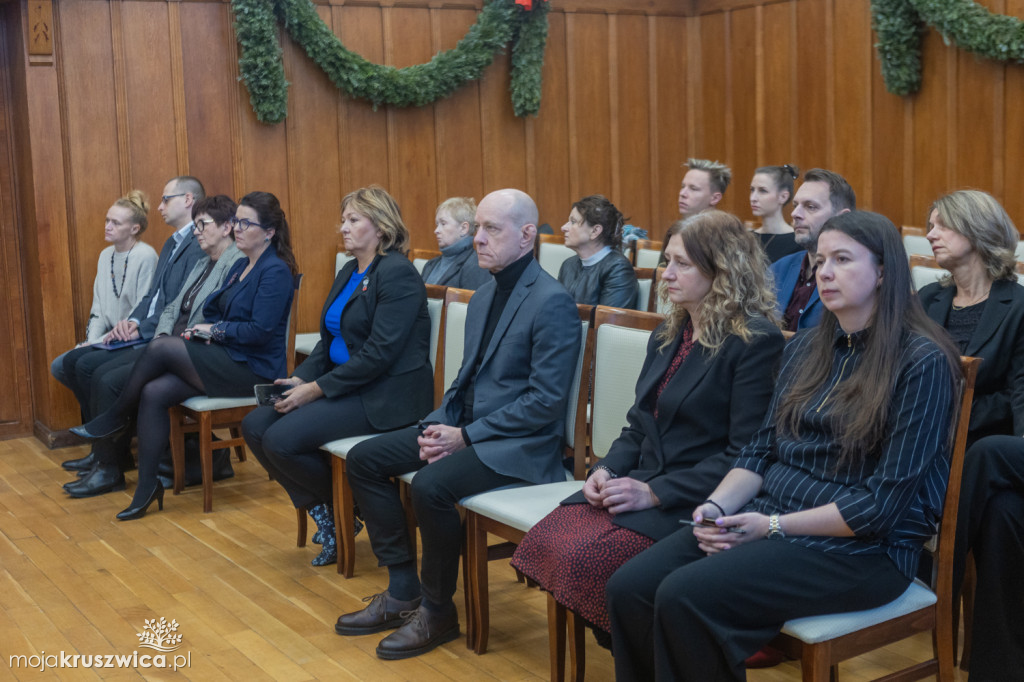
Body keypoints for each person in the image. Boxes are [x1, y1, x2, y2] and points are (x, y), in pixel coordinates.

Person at [606, 210, 960, 682]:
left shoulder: (923, 362)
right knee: (630, 587)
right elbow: (758, 450)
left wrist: (770, 526)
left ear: (882, 272)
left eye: (842, 259)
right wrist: (713, 508)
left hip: (864, 551)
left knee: (685, 595)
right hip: (772, 518)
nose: (825, 272)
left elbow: (881, 506)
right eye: (820, 260)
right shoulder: (804, 348)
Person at [510, 211, 784, 640]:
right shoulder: (670, 331)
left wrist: (655, 492)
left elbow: (745, 454)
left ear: (723, 271)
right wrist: (606, 470)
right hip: (643, 483)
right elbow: (639, 424)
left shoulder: (753, 340)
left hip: (694, 497)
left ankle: (648, 656)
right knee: (553, 540)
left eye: (682, 264)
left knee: (591, 563)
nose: (666, 274)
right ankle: (634, 653)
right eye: (665, 261)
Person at [334, 188, 581, 661]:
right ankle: (403, 588)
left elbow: (544, 403)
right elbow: (464, 381)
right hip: (465, 429)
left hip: (518, 447)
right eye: (477, 227)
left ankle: (437, 609)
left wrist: (464, 436)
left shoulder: (551, 301)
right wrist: (437, 426)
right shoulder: (486, 293)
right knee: (365, 459)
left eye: (492, 229)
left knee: (431, 487)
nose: (478, 239)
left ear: (528, 234)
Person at [70, 191, 298, 521]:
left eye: (246, 223)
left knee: (162, 347)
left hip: (254, 370)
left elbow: (260, 331)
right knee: (153, 391)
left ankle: (116, 415)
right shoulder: (242, 267)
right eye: (237, 222)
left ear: (269, 232)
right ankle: (147, 486)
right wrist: (209, 325)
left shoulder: (274, 271)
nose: (238, 229)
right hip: (228, 357)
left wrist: (214, 331)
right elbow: (216, 307)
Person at [241, 186, 434, 566]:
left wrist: (316, 390)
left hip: (384, 395)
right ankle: (333, 510)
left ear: (380, 227)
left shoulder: (397, 273)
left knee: (281, 439)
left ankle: (345, 508)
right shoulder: (350, 270)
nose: (342, 228)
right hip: (345, 383)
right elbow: (329, 342)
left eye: (353, 220)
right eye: (342, 220)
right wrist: (302, 379)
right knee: (255, 424)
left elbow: (379, 354)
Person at [916, 189, 1024, 679]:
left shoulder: (1017, 305)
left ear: (977, 232)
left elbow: (1018, 404)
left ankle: (935, 582)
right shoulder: (927, 299)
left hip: (984, 453)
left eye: (942, 225)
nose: (931, 233)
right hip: (923, 447)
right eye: (929, 224)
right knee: (1002, 513)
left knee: (990, 468)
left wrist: (960, 411)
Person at [59, 176, 206, 496]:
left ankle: (109, 464)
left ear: (189, 200)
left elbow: (181, 304)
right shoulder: (173, 242)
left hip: (169, 340)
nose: (159, 206)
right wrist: (135, 320)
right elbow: (153, 297)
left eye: (166, 199)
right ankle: (107, 454)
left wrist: (141, 327)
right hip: (150, 330)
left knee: (101, 375)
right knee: (78, 363)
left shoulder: (197, 244)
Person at [51, 191, 159, 394]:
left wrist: (99, 342)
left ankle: (111, 418)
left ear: (134, 228)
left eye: (116, 223)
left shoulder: (146, 256)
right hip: (106, 339)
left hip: (131, 340)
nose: (108, 226)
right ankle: (106, 416)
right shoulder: (105, 255)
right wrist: (92, 340)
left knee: (86, 367)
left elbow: (141, 311)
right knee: (60, 366)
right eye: (107, 220)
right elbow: (98, 308)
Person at [770, 169, 856, 331]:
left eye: (810, 207)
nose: (795, 214)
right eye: (795, 206)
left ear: (841, 218)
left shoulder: (855, 276)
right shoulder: (778, 268)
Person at [556, 194, 638, 309]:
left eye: (573, 222)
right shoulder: (568, 265)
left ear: (595, 231)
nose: (563, 227)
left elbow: (608, 323)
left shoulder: (618, 268)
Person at [421, 197, 490, 289]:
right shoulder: (430, 264)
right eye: (437, 224)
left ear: (463, 228)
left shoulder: (477, 266)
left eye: (443, 223)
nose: (436, 230)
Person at [750, 164, 803, 263]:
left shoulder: (797, 242)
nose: (753, 198)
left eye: (763, 191)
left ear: (783, 197)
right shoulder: (745, 238)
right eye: (752, 190)